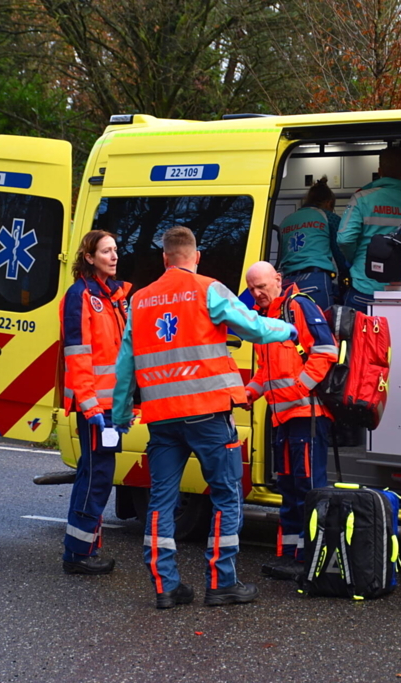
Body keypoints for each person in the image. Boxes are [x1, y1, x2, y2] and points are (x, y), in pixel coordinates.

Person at [112, 226, 297, 609]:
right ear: (196, 257)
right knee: (226, 495)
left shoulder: (140, 300)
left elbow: (125, 364)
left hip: (162, 419)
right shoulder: (207, 288)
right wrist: (289, 328)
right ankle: (221, 582)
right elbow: (254, 328)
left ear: (165, 258)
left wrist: (120, 415)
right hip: (209, 416)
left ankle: (165, 586)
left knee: (161, 502)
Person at [243, 262, 338, 580]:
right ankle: (290, 556)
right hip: (283, 417)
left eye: (262, 286)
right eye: (252, 288)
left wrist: (300, 388)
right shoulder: (265, 320)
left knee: (309, 489)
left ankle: (313, 560)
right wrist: (249, 394)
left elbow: (325, 351)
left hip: (306, 416)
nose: (257, 293)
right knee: (289, 487)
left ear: (278, 281)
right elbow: (265, 372)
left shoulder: (299, 306)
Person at [60, 230, 131, 575]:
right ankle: (77, 554)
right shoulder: (81, 297)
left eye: (115, 250)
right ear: (89, 258)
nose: (114, 256)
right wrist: (90, 406)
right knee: (95, 478)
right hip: (95, 409)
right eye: (106, 251)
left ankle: (83, 548)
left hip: (109, 409)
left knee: (96, 476)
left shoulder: (113, 297)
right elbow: (78, 356)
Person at [336, 148, 401, 313]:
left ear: (379, 171)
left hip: (365, 285)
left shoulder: (362, 199)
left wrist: (354, 259)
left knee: (357, 337)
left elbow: (345, 239)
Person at [276, 177, 347, 311]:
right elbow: (340, 252)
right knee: (321, 325)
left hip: (288, 283)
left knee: (294, 325)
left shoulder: (286, 221)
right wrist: (348, 275)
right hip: (315, 280)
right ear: (328, 203)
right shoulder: (328, 217)